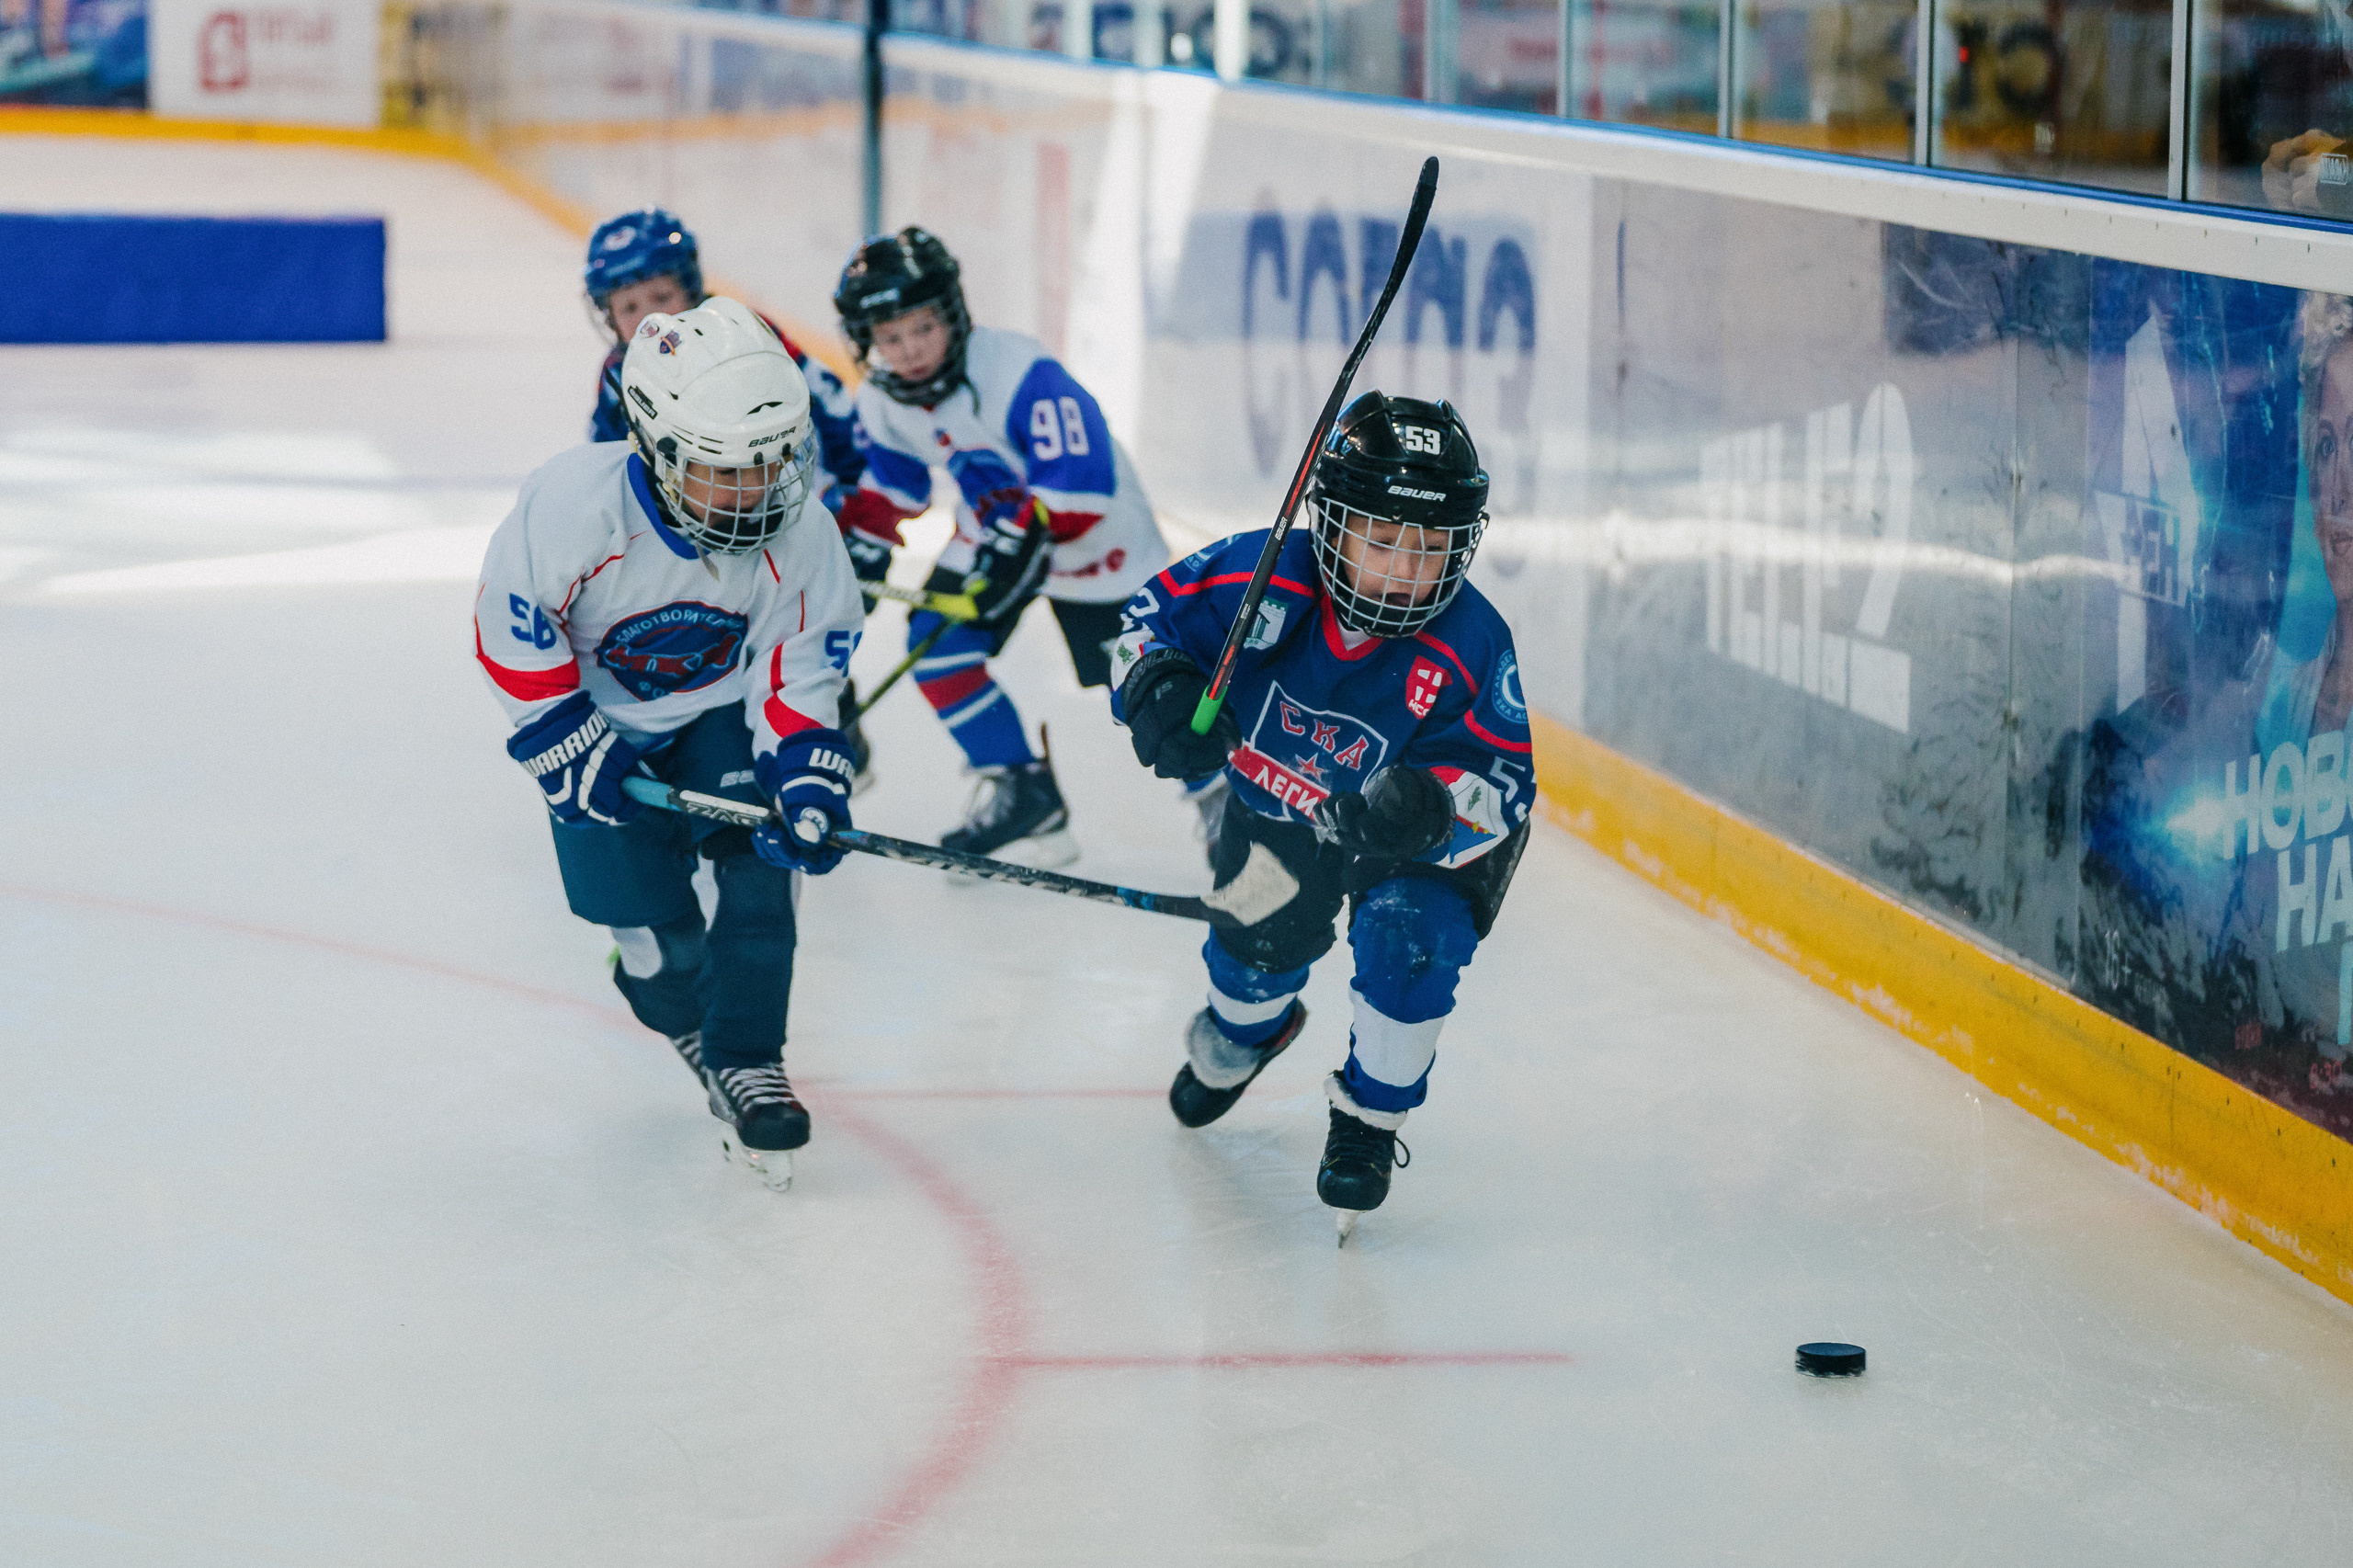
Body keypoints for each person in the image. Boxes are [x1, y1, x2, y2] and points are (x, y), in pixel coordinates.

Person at [1108, 392, 1534, 1234]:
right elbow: (1142, 625)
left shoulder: (1471, 642)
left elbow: (1506, 788)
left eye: (1430, 548)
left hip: (1416, 846)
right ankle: (1251, 1032)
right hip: (1279, 815)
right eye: (1382, 542)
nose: (1407, 570)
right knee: (1252, 965)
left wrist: (1427, 810)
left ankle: (1369, 1125)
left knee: (1408, 944)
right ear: (1332, 525)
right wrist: (1158, 686)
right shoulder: (1255, 579)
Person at [474, 296, 866, 1190]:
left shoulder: (798, 529)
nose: (758, 491)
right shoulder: (574, 504)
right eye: (728, 470)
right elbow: (510, 618)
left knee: (764, 875)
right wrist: (561, 737)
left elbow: (799, 654)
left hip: (713, 712)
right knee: (668, 957)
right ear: (656, 443)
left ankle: (747, 1055)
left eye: (773, 463)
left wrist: (805, 770)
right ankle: (682, 1006)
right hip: (593, 726)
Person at [831, 227, 1208, 866]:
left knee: (1151, 682)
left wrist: (1024, 538)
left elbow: (1080, 486)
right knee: (937, 647)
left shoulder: (1019, 370)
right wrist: (857, 547)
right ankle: (1025, 791)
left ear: (953, 314)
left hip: (1097, 546)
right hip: (992, 529)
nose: (910, 351)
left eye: (922, 328)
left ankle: (1222, 795)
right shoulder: (883, 401)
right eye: (890, 338)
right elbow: (896, 488)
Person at [583, 210, 878, 786]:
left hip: (789, 520)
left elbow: (838, 415)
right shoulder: (620, 375)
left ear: (692, 289)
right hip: (696, 533)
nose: (649, 319)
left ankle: (820, 729)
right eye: (629, 307)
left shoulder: (751, 339)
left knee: (797, 634)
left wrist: (865, 515)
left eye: (662, 296)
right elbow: (607, 466)